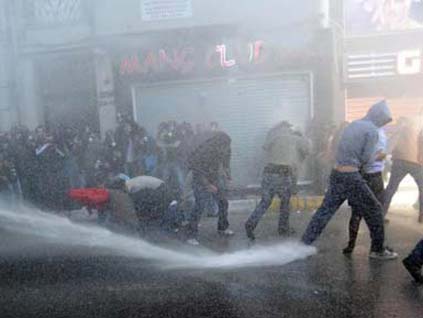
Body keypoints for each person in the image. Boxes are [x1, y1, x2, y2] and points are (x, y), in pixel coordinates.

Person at [301, 100, 398, 260]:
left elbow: (338, 148)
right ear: (380, 117)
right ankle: (378, 250)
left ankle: (304, 244)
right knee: (375, 210)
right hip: (352, 176)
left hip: (337, 173)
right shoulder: (372, 131)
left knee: (324, 211)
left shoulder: (352, 125)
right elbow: (366, 160)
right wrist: (378, 157)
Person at [245, 121, 309, 241]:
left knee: (265, 202)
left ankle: (251, 223)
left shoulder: (276, 136)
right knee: (285, 202)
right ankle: (283, 228)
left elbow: (265, 147)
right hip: (283, 174)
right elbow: (308, 150)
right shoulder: (297, 139)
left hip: (268, 172)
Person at [343, 126, 388, 254]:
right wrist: (381, 155)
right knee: (377, 212)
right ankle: (377, 247)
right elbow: (379, 155)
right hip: (373, 176)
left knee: (356, 213)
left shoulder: (355, 137)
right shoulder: (379, 134)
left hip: (358, 176)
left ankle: (351, 245)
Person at [186, 131, 234, 245]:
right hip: (199, 177)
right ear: (218, 145)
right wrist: (207, 185)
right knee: (200, 205)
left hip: (213, 177)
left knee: (223, 202)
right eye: (224, 146)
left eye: (228, 146)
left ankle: (222, 228)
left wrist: (229, 178)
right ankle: (191, 235)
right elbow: (197, 171)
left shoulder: (226, 150)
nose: (226, 149)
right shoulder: (205, 151)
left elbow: (226, 165)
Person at [383, 117, 423, 223]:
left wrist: (386, 155)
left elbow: (390, 144)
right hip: (415, 162)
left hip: (399, 161)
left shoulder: (400, 129)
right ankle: (422, 216)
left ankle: (381, 214)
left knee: (391, 188)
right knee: (422, 187)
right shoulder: (417, 129)